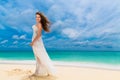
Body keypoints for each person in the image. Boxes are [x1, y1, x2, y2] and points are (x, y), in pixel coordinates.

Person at [30, 11, 56, 76]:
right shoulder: (37, 24)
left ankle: (41, 72)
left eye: (39, 17)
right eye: (36, 17)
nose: (37, 18)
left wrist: (33, 42)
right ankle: (38, 72)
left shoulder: (39, 24)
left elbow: (39, 35)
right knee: (37, 57)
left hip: (37, 43)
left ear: (41, 18)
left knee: (40, 57)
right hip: (36, 42)